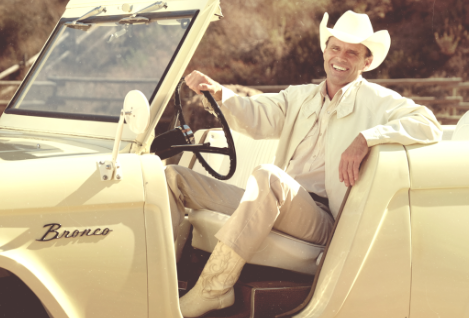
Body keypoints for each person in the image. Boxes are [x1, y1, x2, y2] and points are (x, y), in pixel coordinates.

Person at [166, 10, 442, 317]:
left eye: (352, 52)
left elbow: (428, 124)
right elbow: (254, 113)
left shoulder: (379, 101)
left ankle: (213, 289)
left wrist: (366, 138)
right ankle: (162, 280)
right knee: (173, 177)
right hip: (275, 202)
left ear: (366, 62)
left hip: (322, 220)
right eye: (335, 48)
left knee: (268, 177)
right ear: (325, 51)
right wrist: (218, 93)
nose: (341, 57)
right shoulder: (300, 97)